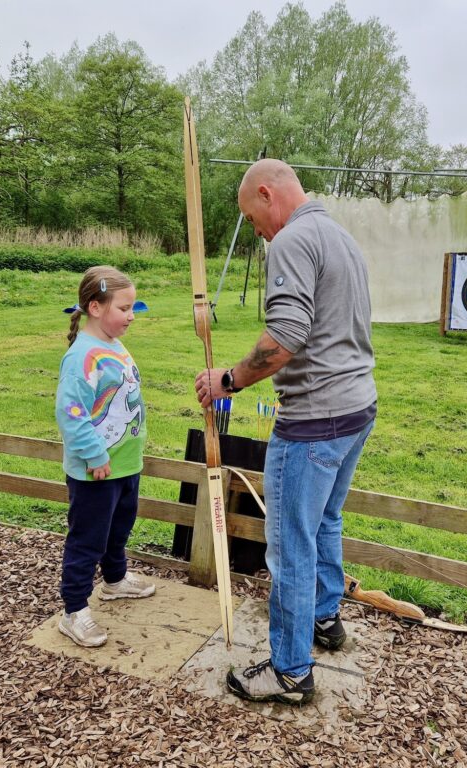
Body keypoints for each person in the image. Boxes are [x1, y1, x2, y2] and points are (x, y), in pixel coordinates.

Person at [194, 159, 377, 705]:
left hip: (315, 421)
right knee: (324, 520)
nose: (257, 230)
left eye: (254, 217)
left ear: (269, 194)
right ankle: (324, 621)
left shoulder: (293, 240)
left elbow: (288, 332)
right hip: (357, 408)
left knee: (291, 544)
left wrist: (229, 380)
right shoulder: (339, 235)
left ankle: (291, 672)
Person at [55, 265, 155, 648]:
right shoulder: (82, 357)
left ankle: (114, 581)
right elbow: (72, 414)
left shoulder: (113, 344)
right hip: (96, 469)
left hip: (125, 464)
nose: (132, 316)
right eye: (125, 308)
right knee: (88, 539)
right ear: (95, 308)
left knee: (119, 529)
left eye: (133, 308)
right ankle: (74, 611)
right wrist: (96, 456)